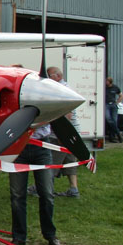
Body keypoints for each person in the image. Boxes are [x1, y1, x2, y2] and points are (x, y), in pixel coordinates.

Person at [9, 125, 62, 245]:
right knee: (17, 195)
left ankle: (50, 234)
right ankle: (19, 237)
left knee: (47, 193)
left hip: (42, 145)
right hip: (18, 146)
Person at [45, 67, 81, 198]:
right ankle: (74, 189)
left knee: (52, 162)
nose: (46, 79)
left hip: (62, 134)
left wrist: (62, 135)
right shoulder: (64, 88)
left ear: (58, 76)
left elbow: (67, 115)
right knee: (69, 161)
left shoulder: (62, 91)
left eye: (49, 76)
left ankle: (43, 188)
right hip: (71, 133)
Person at [105, 76, 123, 143]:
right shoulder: (104, 88)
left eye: (107, 81)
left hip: (113, 105)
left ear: (110, 82)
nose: (106, 82)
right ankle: (118, 134)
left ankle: (112, 137)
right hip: (106, 105)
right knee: (109, 119)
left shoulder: (115, 87)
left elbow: (121, 95)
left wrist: (117, 102)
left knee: (114, 121)